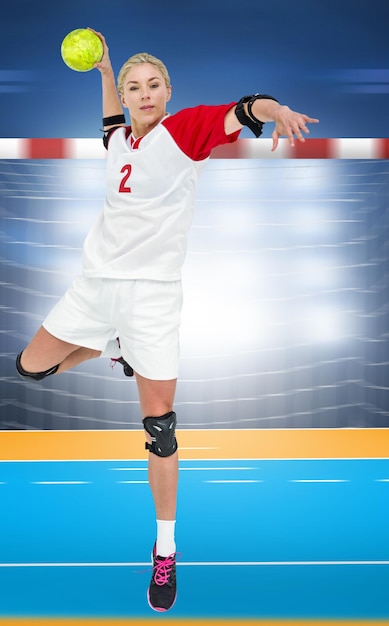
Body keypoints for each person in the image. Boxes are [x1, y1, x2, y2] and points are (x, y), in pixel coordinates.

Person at [16, 29, 319, 612]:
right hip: (94, 287)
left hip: (152, 300)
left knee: (159, 432)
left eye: (154, 85)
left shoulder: (184, 133)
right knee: (31, 368)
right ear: (128, 99)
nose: (145, 94)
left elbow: (240, 109)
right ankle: (113, 345)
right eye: (135, 88)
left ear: (168, 92)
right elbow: (109, 124)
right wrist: (106, 74)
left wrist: (274, 108)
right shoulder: (118, 141)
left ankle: (165, 551)